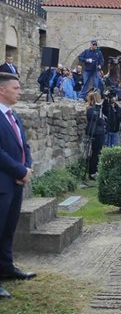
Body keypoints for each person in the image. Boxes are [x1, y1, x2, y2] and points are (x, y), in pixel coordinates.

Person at [0, 73, 35, 299]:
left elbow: (24, 145)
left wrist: (27, 168)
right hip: (3, 182)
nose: (20, 91)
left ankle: (6, 268)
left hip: (16, 183)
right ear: (2, 90)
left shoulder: (13, 116)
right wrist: (19, 171)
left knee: (8, 229)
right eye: (16, 88)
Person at [85, 91, 107, 179]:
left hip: (100, 132)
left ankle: (95, 170)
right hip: (96, 132)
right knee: (95, 153)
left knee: (98, 152)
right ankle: (92, 172)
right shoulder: (91, 109)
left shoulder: (98, 109)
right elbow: (96, 119)